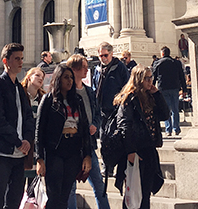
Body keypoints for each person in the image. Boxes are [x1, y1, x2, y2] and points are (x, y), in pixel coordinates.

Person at [35, 64, 92, 209]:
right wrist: (39, 158)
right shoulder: (48, 100)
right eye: (66, 77)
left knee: (65, 195)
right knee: (54, 196)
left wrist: (87, 155)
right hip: (55, 150)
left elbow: (84, 128)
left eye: (71, 77)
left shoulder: (77, 100)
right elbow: (39, 130)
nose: (70, 81)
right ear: (58, 79)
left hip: (73, 151)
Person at [0, 42, 34, 209]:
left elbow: (28, 116)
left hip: (20, 155)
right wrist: (18, 141)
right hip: (3, 152)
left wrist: (27, 139)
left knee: (14, 199)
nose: (21, 62)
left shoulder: (20, 89)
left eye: (21, 58)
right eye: (16, 59)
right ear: (6, 61)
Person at [113, 66, 170, 209]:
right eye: (147, 78)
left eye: (151, 77)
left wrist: (157, 94)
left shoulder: (150, 96)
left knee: (145, 194)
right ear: (139, 79)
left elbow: (165, 115)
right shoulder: (129, 99)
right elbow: (124, 125)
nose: (151, 81)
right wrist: (131, 151)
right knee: (133, 194)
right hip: (135, 150)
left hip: (149, 149)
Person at [66, 54, 110, 209]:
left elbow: (98, 113)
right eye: (83, 67)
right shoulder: (67, 94)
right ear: (74, 69)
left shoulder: (90, 91)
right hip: (72, 146)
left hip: (89, 145)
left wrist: (95, 125)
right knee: (71, 188)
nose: (86, 70)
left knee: (98, 183)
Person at [92, 42, 129, 131]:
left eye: (106, 55)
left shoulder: (120, 67)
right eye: (101, 56)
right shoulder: (98, 69)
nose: (103, 58)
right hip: (101, 110)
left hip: (115, 109)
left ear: (111, 54)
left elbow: (127, 86)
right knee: (103, 137)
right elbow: (94, 86)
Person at [151, 46, 186, 136]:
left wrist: (151, 88)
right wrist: (184, 89)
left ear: (162, 54)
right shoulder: (176, 63)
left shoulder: (157, 63)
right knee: (175, 109)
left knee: (166, 109)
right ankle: (176, 128)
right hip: (174, 88)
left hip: (163, 88)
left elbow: (154, 77)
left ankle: (168, 129)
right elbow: (182, 77)